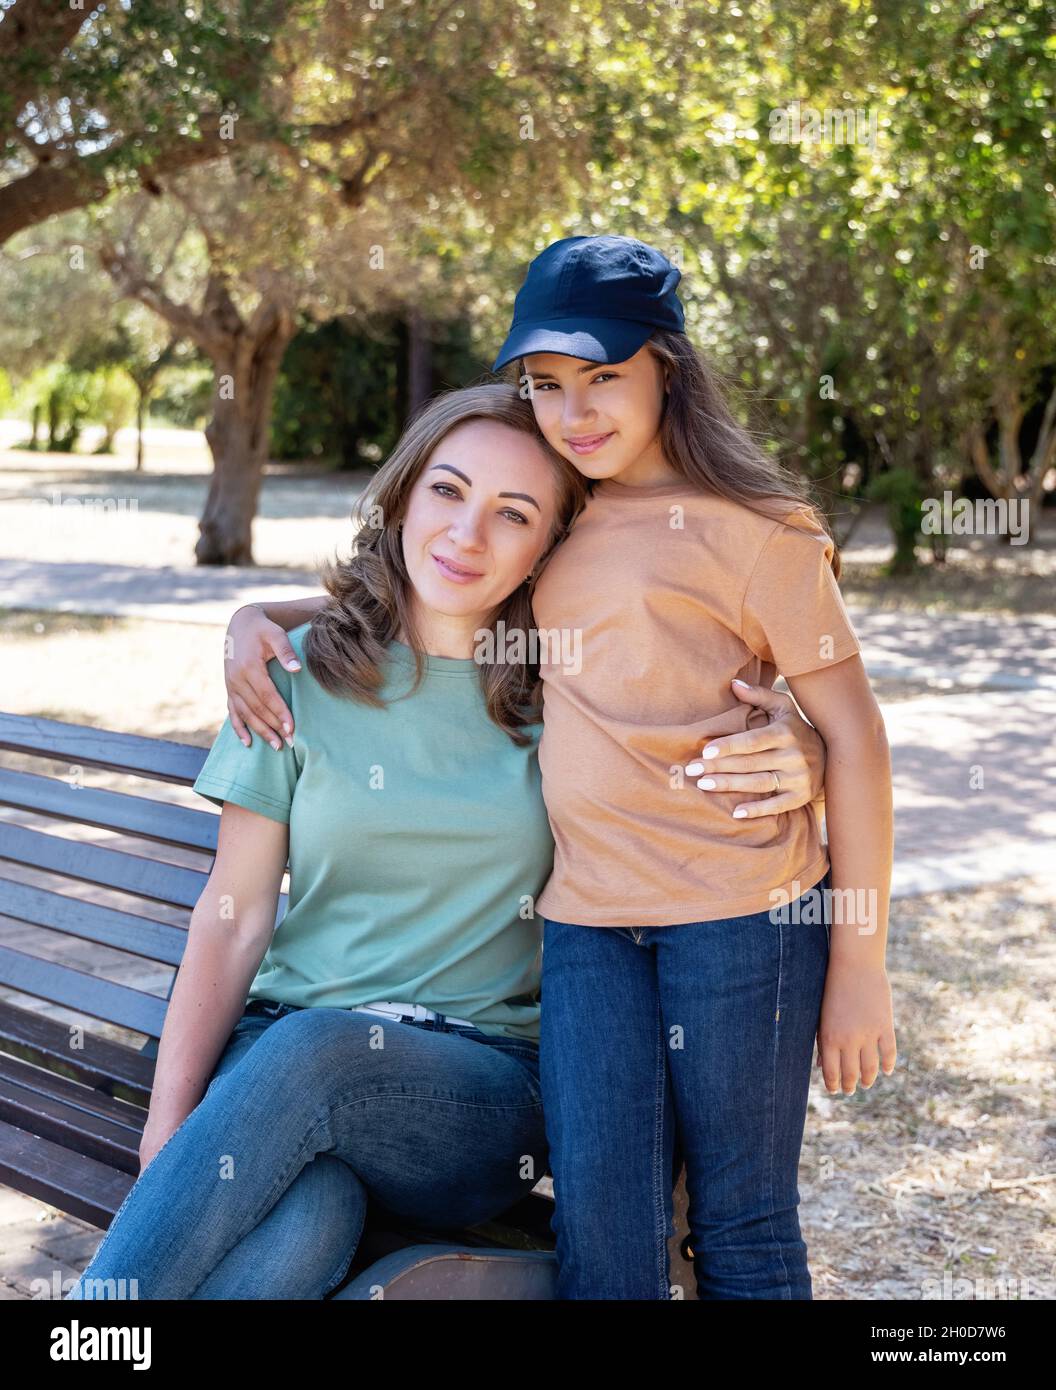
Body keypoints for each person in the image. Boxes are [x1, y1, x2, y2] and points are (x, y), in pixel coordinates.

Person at [221, 245, 856, 1304]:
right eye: (549, 384)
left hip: (735, 915)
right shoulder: (557, 519)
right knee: (597, 1240)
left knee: (741, 1227)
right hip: (589, 927)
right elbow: (426, 586)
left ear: (669, 366)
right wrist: (259, 614)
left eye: (605, 375)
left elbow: (828, 702)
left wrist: (813, 745)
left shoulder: (741, 528)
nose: (577, 409)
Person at [67, 384, 587, 1300]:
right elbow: (231, 919)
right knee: (311, 1219)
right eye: (447, 491)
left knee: (320, 1052)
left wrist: (789, 732)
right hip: (275, 1066)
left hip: (473, 1093)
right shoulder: (294, 676)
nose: (468, 534)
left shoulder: (576, 700)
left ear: (550, 543)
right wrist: (167, 1132)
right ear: (402, 497)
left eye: (514, 514)